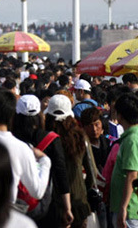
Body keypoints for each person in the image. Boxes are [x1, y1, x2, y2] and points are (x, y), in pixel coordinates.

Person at [11, 94, 73, 227]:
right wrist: (67, 208)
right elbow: (61, 174)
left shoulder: (11, 139)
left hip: (15, 206)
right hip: (46, 207)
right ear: (40, 115)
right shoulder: (51, 139)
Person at [45, 94, 95, 228]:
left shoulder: (45, 138)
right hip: (78, 201)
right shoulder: (81, 137)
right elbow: (92, 172)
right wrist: (84, 190)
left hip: (52, 203)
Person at [109, 92, 138, 228]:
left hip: (131, 208)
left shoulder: (132, 140)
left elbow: (132, 175)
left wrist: (123, 207)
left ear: (120, 115)